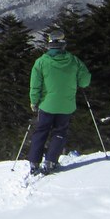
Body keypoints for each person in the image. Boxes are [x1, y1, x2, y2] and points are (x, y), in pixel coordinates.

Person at [28, 29, 91, 175]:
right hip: (66, 105)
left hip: (46, 105)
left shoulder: (41, 62)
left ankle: (34, 162)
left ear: (49, 45)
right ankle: (50, 161)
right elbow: (85, 81)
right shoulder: (74, 61)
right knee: (60, 132)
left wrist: (34, 101)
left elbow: (35, 85)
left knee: (41, 131)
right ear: (63, 45)